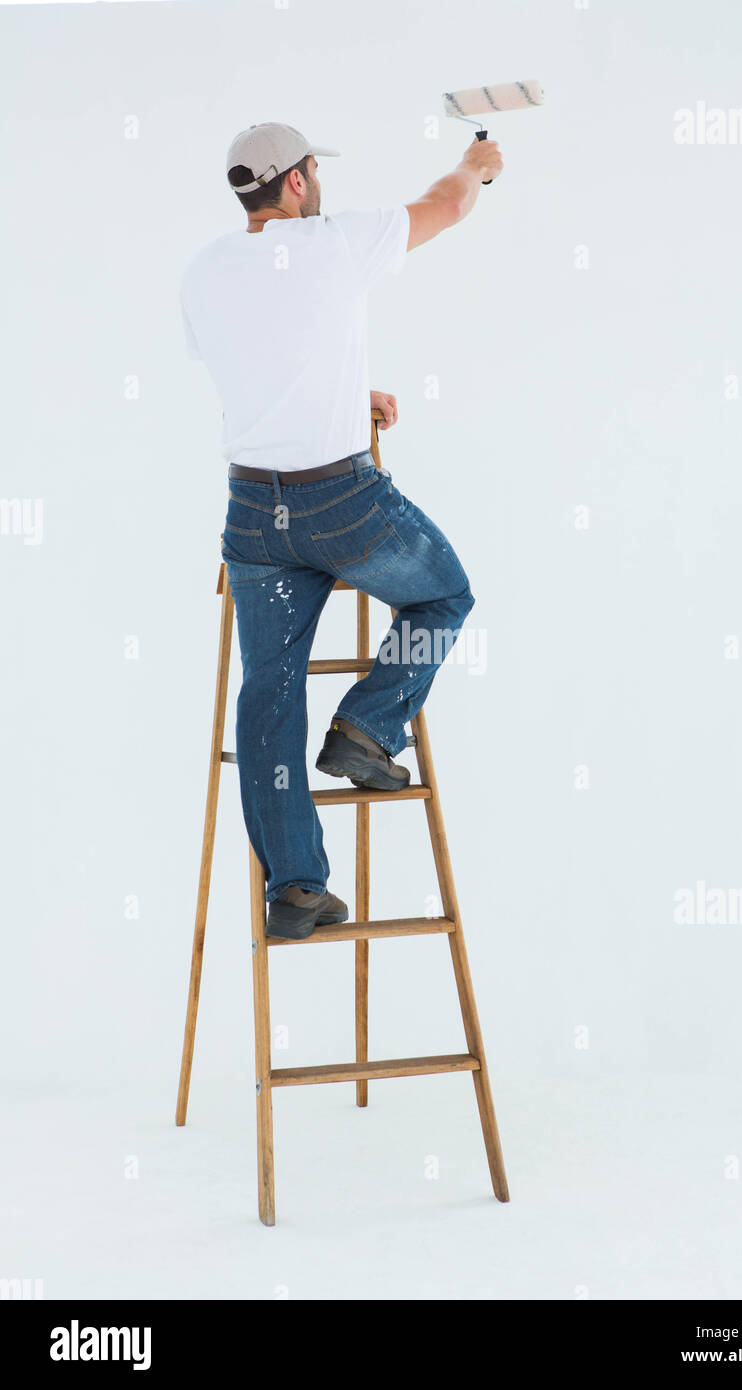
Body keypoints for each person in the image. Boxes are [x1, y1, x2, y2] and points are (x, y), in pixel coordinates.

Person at [180, 120, 503, 940]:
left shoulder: (206, 271)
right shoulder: (334, 243)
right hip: (342, 506)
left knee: (269, 697)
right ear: (296, 181)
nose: (317, 180)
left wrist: (341, 398)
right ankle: (366, 728)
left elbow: (256, 364)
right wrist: (475, 166)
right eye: (313, 168)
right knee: (445, 597)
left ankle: (294, 890)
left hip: (255, 516)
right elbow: (446, 206)